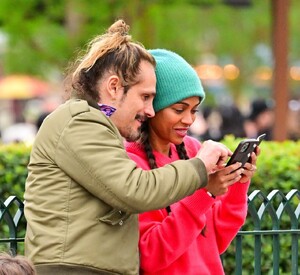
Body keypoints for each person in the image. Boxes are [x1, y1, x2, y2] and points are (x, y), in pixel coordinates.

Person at [24, 20, 232, 275]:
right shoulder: (80, 122)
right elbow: (135, 189)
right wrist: (200, 168)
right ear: (113, 87)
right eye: (145, 97)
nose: (149, 110)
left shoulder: (95, 123)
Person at [125, 49, 259, 274]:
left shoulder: (194, 150)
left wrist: (236, 184)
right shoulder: (131, 163)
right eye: (179, 109)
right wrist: (204, 194)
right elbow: (150, 255)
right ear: (151, 107)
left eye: (194, 110)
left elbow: (217, 239)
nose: (188, 120)